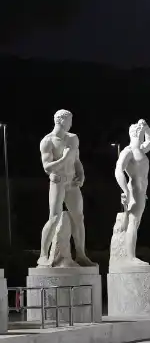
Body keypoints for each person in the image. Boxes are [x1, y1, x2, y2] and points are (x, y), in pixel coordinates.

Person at [38, 109, 95, 267]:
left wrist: (81, 175)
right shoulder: (47, 141)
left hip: (72, 183)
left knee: (78, 217)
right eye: (69, 120)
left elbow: (76, 161)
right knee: (54, 217)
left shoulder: (73, 138)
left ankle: (81, 254)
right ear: (60, 121)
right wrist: (64, 158)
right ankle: (43, 254)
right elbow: (47, 167)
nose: (71, 123)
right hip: (58, 182)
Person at [112, 119, 150, 265]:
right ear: (134, 133)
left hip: (142, 191)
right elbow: (118, 171)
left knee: (135, 222)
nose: (142, 134)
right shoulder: (128, 151)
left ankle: (130, 255)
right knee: (133, 221)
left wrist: (147, 126)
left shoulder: (141, 149)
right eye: (140, 131)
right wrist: (125, 191)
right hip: (134, 190)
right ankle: (130, 257)